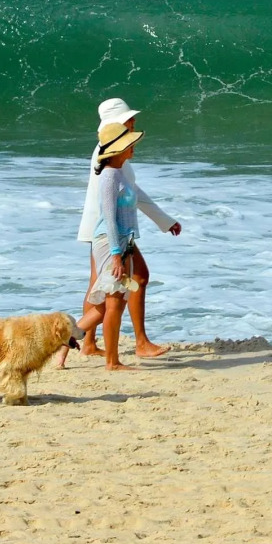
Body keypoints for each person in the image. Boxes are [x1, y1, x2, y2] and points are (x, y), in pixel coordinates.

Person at [59, 97, 181, 367]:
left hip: (107, 229)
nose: (133, 122)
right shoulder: (111, 156)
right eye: (129, 119)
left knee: (102, 286)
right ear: (116, 123)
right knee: (131, 280)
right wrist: (119, 247)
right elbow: (120, 196)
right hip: (109, 230)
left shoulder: (114, 152)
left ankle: (87, 343)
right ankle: (138, 343)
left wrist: (164, 220)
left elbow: (131, 192)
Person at [65, 121, 150, 370]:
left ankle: (62, 343)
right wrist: (116, 254)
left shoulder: (120, 172)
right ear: (117, 150)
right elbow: (109, 218)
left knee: (108, 304)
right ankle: (113, 362)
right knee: (114, 303)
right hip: (111, 243)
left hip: (123, 242)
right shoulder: (109, 177)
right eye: (128, 145)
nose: (133, 147)